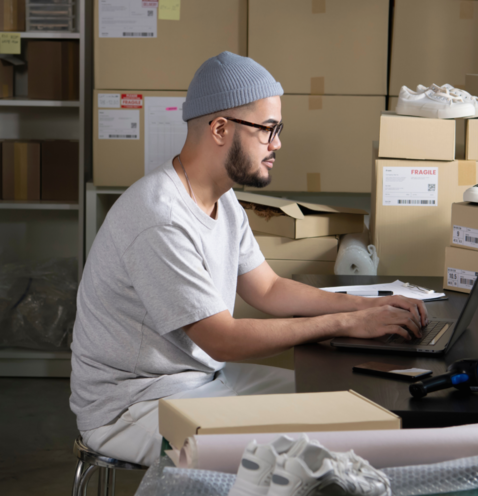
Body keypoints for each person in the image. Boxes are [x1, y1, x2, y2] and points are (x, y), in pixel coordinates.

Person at [70, 52, 428, 466]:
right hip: (135, 405)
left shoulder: (223, 199)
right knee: (300, 457)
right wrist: (347, 323)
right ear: (220, 129)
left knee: (345, 411)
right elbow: (222, 338)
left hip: (202, 377)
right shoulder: (160, 217)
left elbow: (269, 289)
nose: (278, 144)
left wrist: (367, 306)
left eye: (278, 129)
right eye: (267, 129)